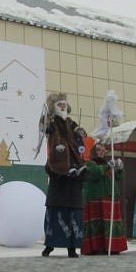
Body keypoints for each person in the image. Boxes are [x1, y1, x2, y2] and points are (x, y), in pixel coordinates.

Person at [41, 93, 87, 258]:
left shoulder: (72, 124)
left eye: (64, 104)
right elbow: (43, 128)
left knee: (73, 215)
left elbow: (80, 139)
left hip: (74, 172)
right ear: (54, 106)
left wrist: (80, 134)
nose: (62, 106)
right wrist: (47, 125)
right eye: (59, 104)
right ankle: (49, 246)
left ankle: (72, 248)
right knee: (56, 214)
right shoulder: (52, 123)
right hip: (58, 169)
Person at [81, 142, 127, 255]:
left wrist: (120, 168)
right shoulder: (89, 163)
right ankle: (96, 247)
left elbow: (119, 176)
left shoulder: (108, 163)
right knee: (97, 224)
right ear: (93, 152)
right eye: (98, 150)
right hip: (96, 199)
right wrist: (108, 166)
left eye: (103, 149)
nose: (102, 152)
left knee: (111, 223)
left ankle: (113, 247)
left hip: (111, 198)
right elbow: (96, 173)